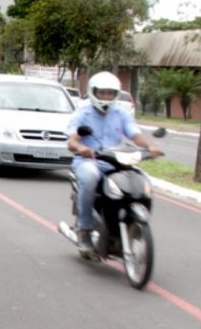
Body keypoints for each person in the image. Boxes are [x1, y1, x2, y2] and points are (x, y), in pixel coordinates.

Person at [65, 71, 162, 254]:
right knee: (91, 177)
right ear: (93, 92)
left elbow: (135, 135)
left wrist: (150, 146)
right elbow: (72, 141)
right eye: (102, 93)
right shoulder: (83, 114)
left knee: (140, 180)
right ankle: (84, 229)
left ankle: (127, 224)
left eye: (110, 93)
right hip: (89, 161)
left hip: (114, 161)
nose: (106, 97)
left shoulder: (121, 114)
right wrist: (81, 148)